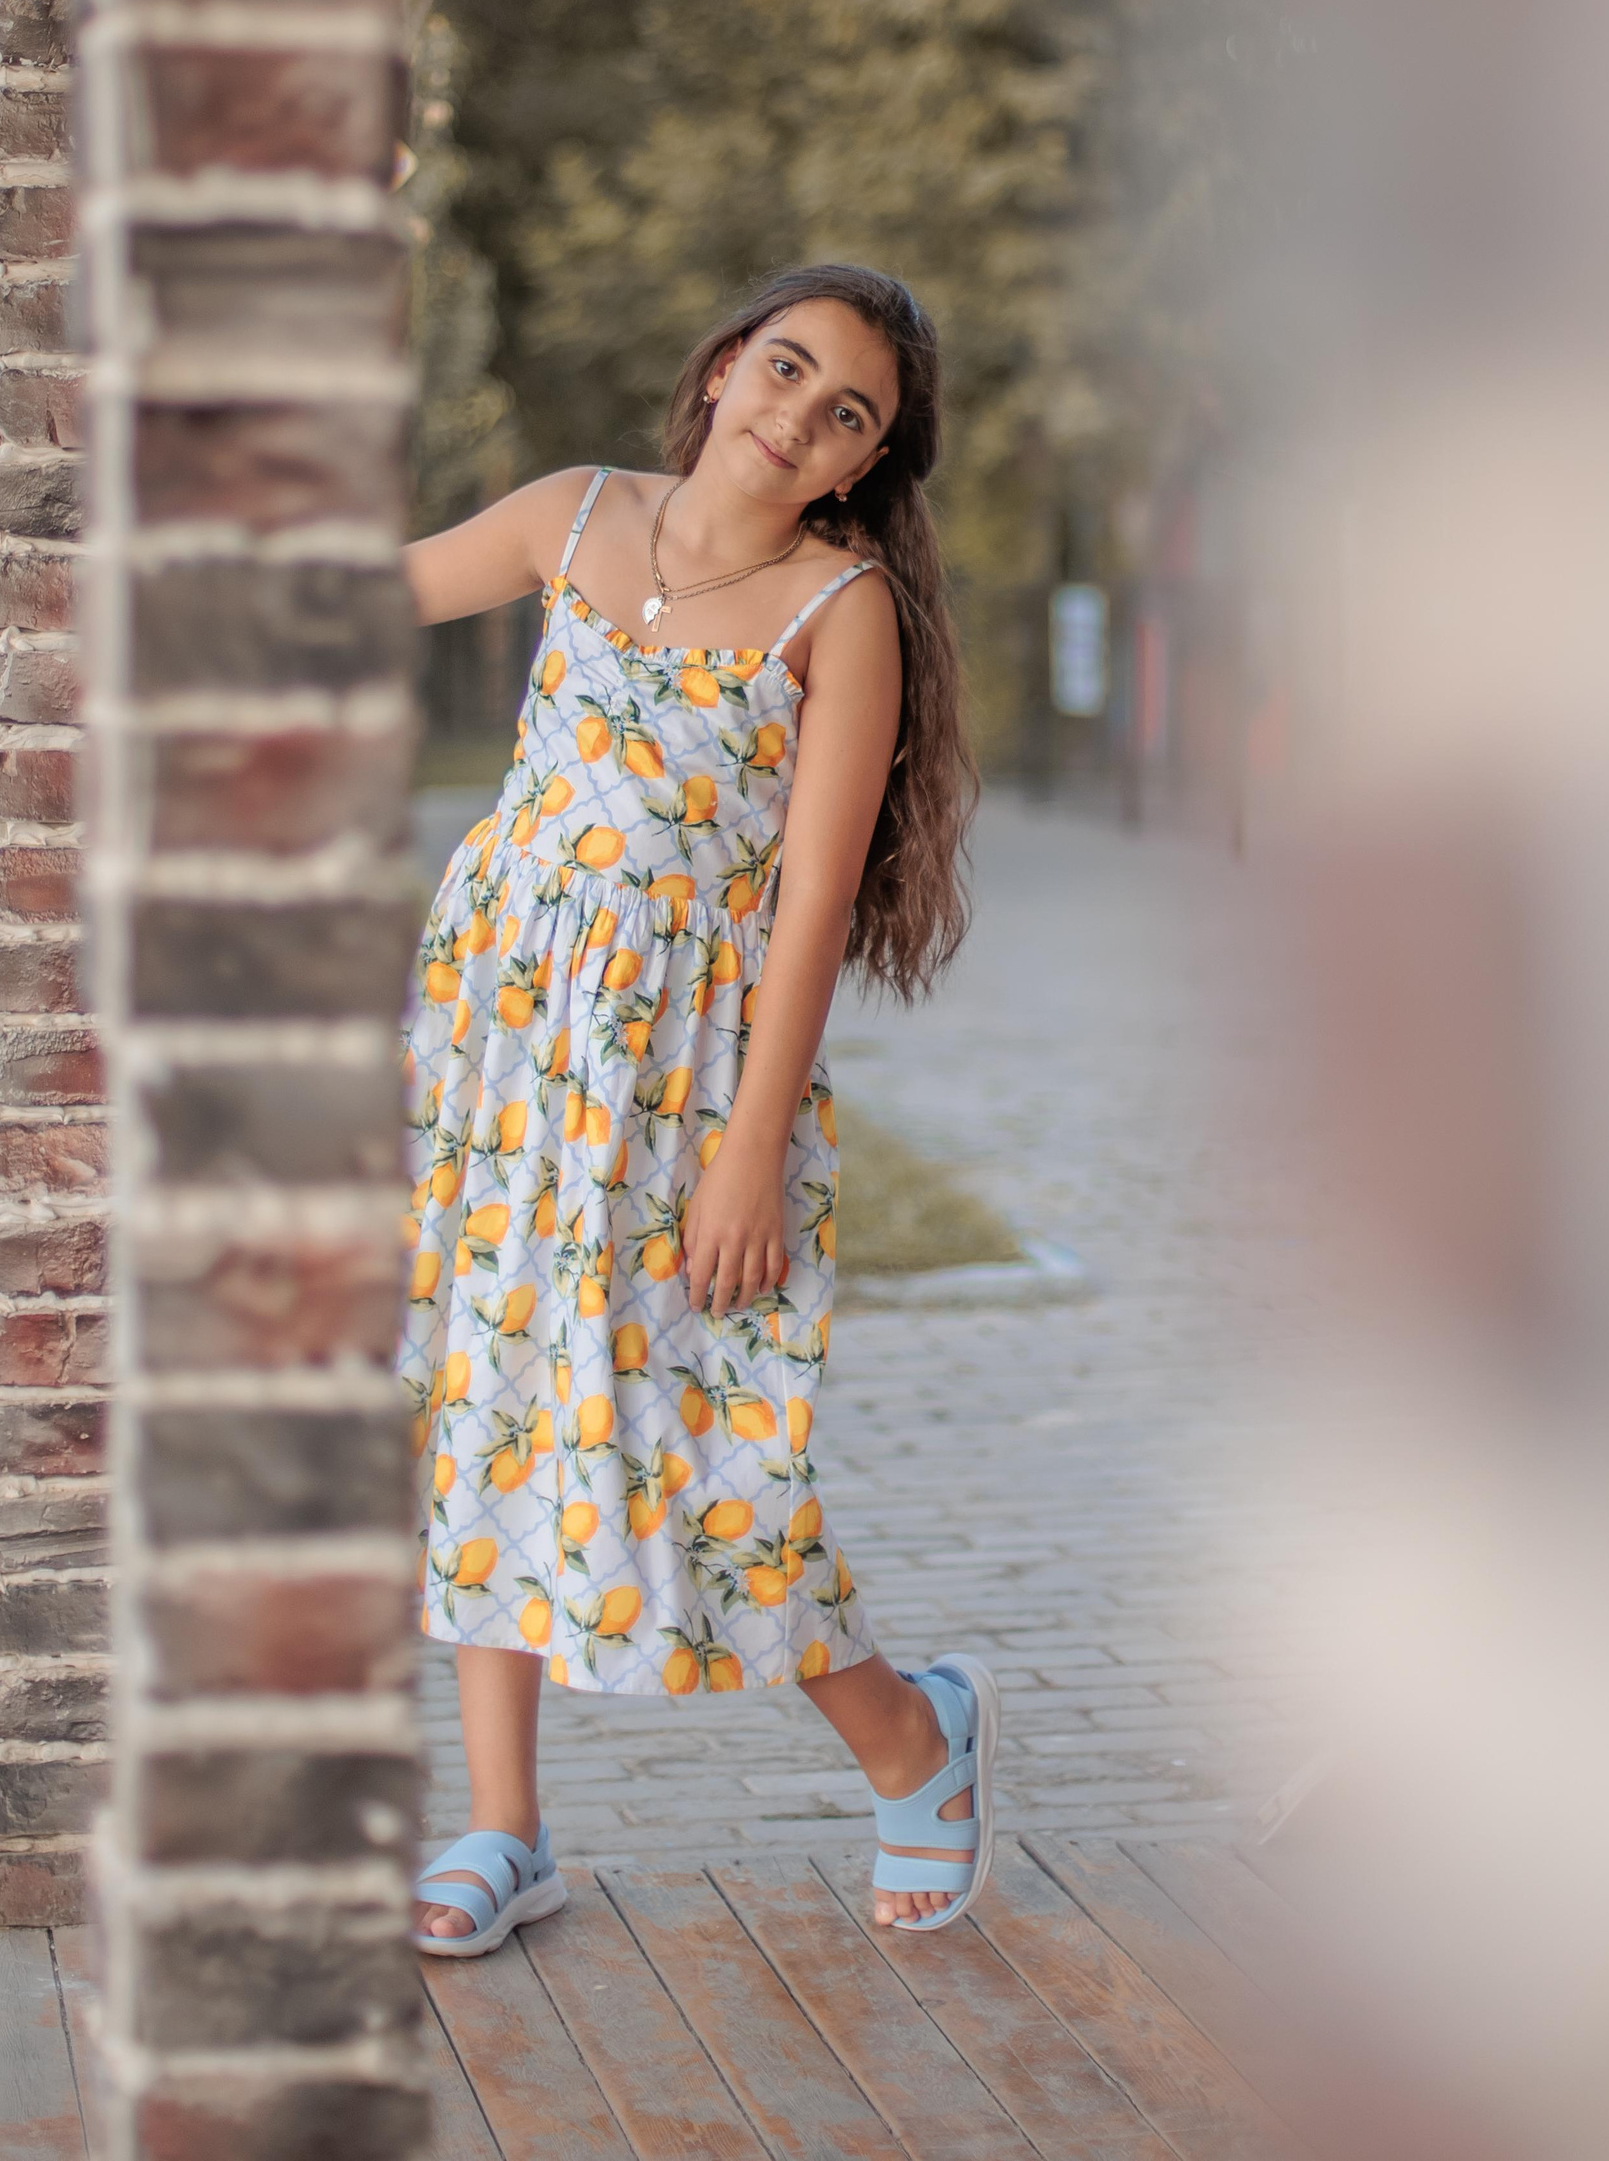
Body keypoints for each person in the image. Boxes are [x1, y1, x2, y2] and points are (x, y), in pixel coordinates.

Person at [400, 262, 995, 1953]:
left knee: (706, 1448)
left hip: (689, 1087)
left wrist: (747, 1157)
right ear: (729, 364)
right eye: (786, 368)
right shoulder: (575, 515)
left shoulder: (841, 612)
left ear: (861, 463)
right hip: (507, 1046)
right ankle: (504, 1827)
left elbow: (812, 909)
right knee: (492, 1402)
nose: (799, 414)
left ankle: (915, 1738)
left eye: (847, 413)